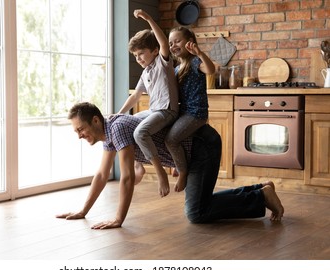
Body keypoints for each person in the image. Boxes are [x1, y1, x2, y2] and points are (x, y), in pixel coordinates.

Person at [56, 102, 284, 229]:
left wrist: (118, 219)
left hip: (201, 146)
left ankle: (261, 198)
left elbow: (125, 178)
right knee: (200, 206)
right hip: (194, 149)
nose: (79, 136)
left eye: (80, 129)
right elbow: (102, 174)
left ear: (96, 120)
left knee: (196, 212)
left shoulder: (117, 127)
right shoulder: (109, 132)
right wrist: (83, 211)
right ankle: (261, 190)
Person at [117, 9, 179, 198]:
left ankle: (160, 173)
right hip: (153, 111)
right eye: (135, 56)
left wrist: (149, 18)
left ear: (154, 51)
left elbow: (162, 42)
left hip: (167, 110)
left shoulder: (163, 62)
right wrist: (119, 113)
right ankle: (138, 166)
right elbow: (135, 96)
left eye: (141, 54)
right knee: (127, 123)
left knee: (140, 132)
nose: (138, 59)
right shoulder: (146, 72)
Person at [165, 26, 215, 193]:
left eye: (177, 41)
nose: (173, 46)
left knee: (171, 139)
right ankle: (178, 163)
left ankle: (183, 172)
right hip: (184, 112)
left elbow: (211, 70)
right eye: (170, 43)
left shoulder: (195, 62)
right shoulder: (178, 67)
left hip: (196, 113)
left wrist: (199, 53)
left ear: (190, 42)